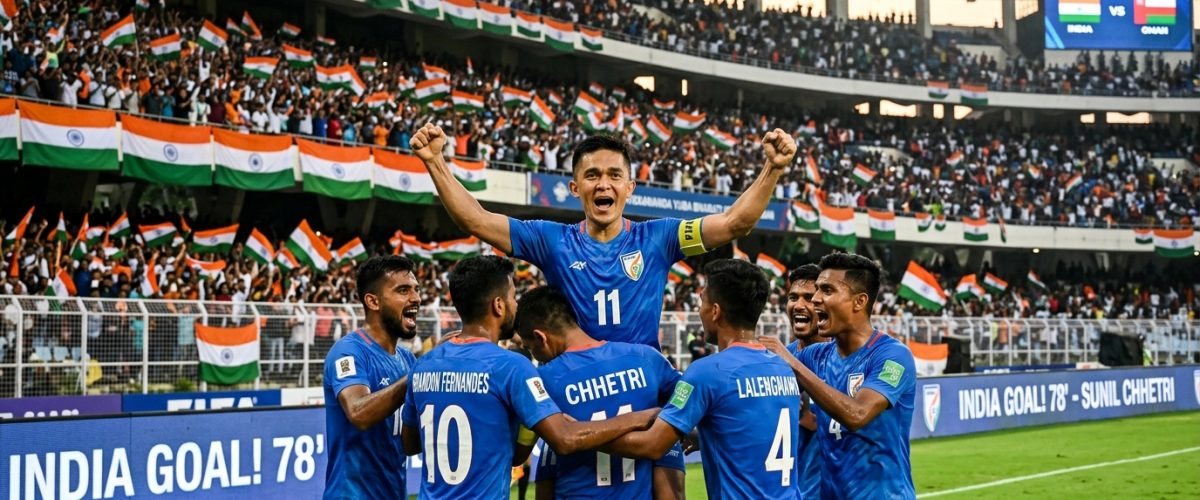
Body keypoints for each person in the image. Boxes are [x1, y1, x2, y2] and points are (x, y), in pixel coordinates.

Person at [412, 126, 795, 496]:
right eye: (592, 175)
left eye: (615, 174)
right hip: (575, 399)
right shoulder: (552, 240)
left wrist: (772, 169)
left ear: (630, 187)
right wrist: (435, 162)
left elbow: (733, 224)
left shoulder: (659, 236)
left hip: (645, 391)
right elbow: (477, 220)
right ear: (575, 187)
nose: (603, 184)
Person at [400, 256, 658, 499]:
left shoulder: (424, 364)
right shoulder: (511, 366)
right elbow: (566, 439)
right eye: (513, 297)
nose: (516, 305)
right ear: (498, 305)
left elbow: (410, 444)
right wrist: (642, 417)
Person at [599, 259, 802, 499]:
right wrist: (705, 437)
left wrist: (585, 437)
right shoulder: (782, 368)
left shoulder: (707, 371)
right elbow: (750, 434)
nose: (698, 310)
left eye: (702, 301)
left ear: (715, 311)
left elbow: (652, 445)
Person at [759, 253, 917, 499]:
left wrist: (792, 364)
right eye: (818, 291)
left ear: (859, 301)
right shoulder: (815, 356)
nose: (816, 299)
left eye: (827, 291)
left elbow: (857, 414)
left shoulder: (892, 356)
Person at [515, 286, 682, 500]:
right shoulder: (646, 358)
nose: (535, 356)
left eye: (531, 348)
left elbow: (519, 454)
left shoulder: (542, 381)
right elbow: (690, 399)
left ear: (540, 337)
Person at [322, 256, 422, 499]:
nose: (416, 298)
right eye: (403, 290)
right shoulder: (349, 352)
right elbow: (359, 413)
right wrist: (420, 375)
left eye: (416, 290)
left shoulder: (408, 360)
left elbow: (410, 445)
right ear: (373, 301)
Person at [783, 263, 826, 500]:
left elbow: (854, 423)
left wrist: (803, 417)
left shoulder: (843, 358)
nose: (798, 305)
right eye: (793, 297)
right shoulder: (777, 359)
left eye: (808, 298)